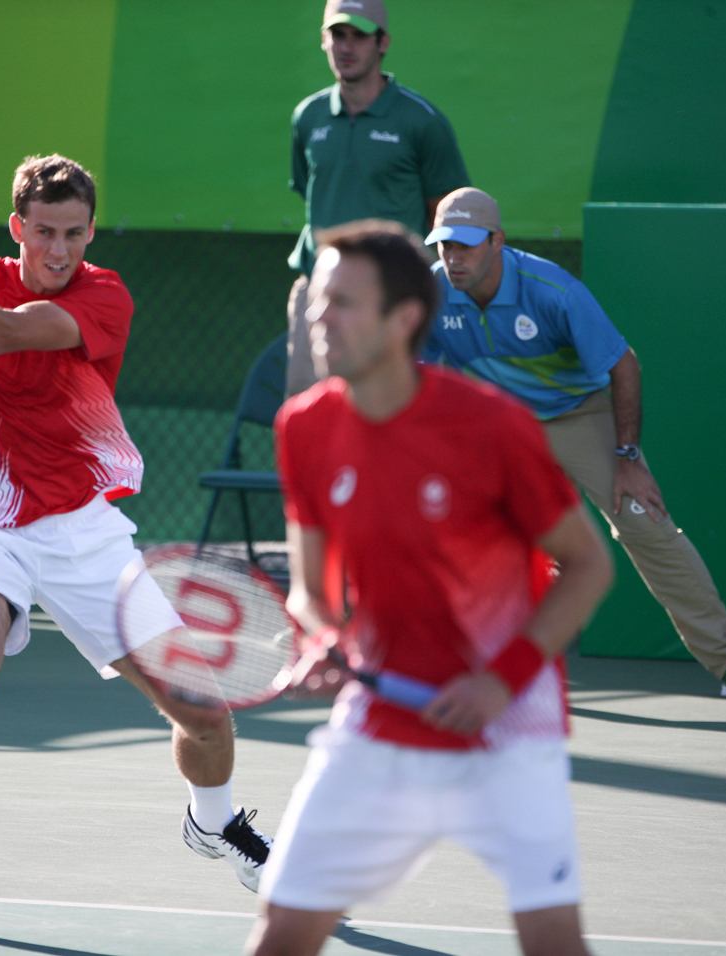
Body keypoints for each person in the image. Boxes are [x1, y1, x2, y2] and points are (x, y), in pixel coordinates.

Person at [0, 155, 271, 936]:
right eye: (44, 233)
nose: (59, 250)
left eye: (74, 233)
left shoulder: (104, 295)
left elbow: (3, 334)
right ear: (18, 229)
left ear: (91, 233)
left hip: (85, 535)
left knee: (205, 716)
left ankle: (215, 822)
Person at [248, 220, 613, 956]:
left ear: (404, 318)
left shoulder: (492, 426)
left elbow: (588, 564)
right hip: (378, 722)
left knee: (552, 942)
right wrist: (322, 638)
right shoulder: (304, 429)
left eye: (344, 303)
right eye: (318, 301)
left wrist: (499, 682)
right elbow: (313, 588)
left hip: (507, 729)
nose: (321, 319)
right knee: (282, 934)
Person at [422, 187, 726, 702]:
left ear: (496, 241)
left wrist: (628, 457)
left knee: (644, 521)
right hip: (499, 425)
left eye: (465, 246)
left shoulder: (552, 290)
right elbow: (419, 371)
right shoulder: (431, 292)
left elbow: (622, 364)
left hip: (579, 415)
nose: (452, 258)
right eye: (444, 246)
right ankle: (473, 658)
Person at [284, 0, 469, 397]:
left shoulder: (422, 121)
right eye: (337, 34)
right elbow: (310, 189)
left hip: (391, 299)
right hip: (319, 290)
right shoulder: (308, 117)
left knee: (393, 415)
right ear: (323, 40)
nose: (347, 47)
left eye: (359, 36)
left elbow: (444, 213)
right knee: (309, 413)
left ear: (383, 42)